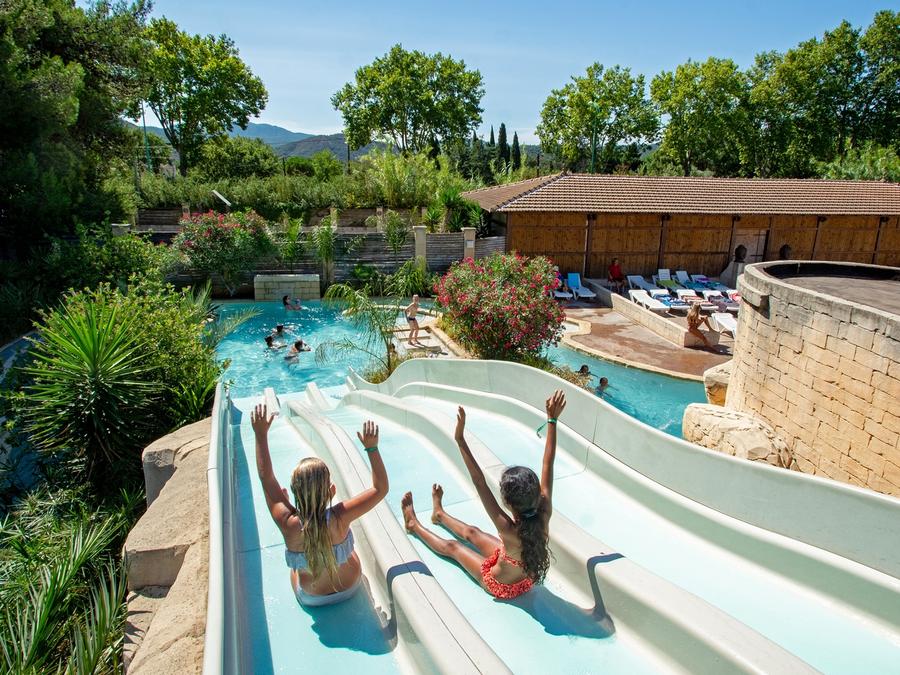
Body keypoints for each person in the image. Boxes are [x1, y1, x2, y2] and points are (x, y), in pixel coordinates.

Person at [401, 390, 567, 600]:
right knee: (472, 532)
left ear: (507, 503)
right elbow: (547, 464)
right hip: (524, 579)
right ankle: (439, 514)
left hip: (500, 585)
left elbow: (479, 482)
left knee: (454, 547)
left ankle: (413, 525)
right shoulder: (544, 511)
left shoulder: (507, 528)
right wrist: (552, 420)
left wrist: (460, 440)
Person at [250, 404, 387, 606]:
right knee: (346, 551)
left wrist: (260, 435)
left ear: (294, 492)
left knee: (296, 569)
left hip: (311, 597)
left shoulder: (286, 521)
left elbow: (266, 478)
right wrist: (372, 448)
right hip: (350, 587)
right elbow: (380, 489)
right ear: (331, 491)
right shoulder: (341, 516)